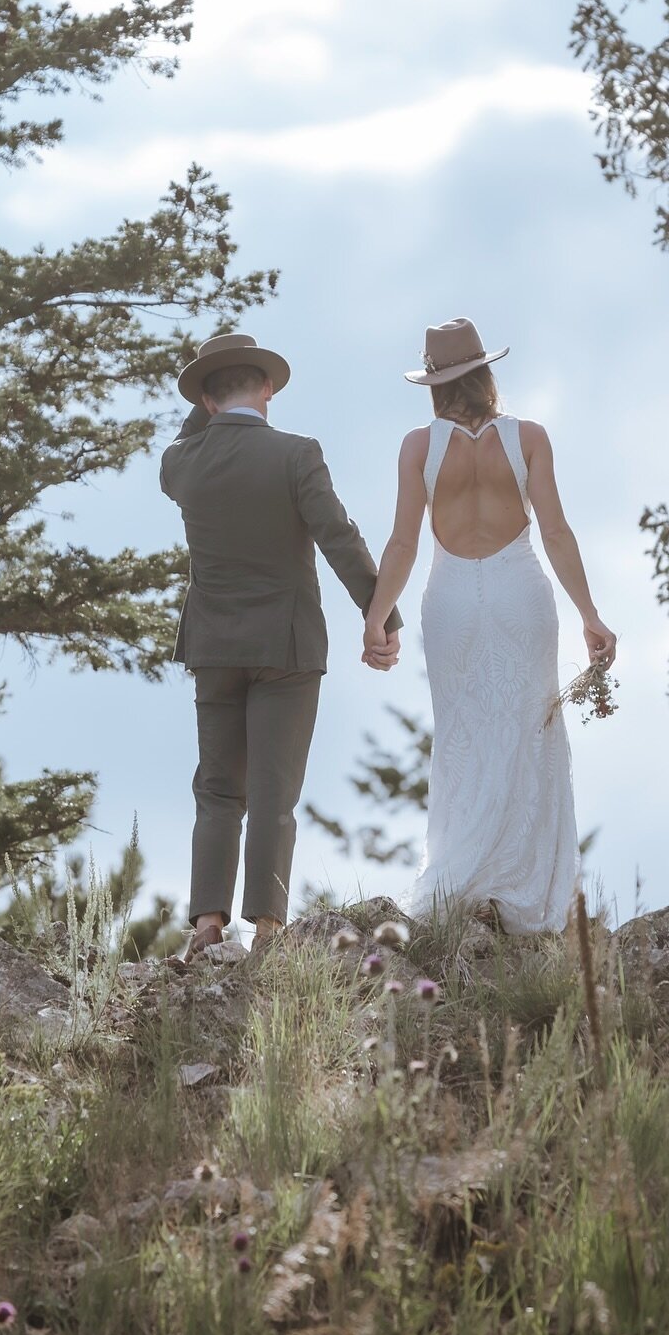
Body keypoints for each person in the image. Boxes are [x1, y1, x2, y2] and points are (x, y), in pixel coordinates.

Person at [365, 318, 617, 933]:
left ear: (434, 383)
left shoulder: (417, 448)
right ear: (485, 372)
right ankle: (525, 889)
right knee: (531, 727)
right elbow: (554, 531)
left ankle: (461, 874)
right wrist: (590, 613)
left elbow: (403, 542)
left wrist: (376, 617)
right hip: (520, 592)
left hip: (449, 599)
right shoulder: (528, 437)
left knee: (462, 733)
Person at [161, 332, 401, 964]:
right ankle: (267, 928)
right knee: (274, 792)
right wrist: (381, 614)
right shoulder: (297, 454)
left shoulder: (181, 465)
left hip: (213, 646)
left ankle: (209, 923)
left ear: (207, 401)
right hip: (288, 647)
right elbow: (338, 536)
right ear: (268, 389)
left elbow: (191, 436)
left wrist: (205, 393)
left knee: (217, 789)